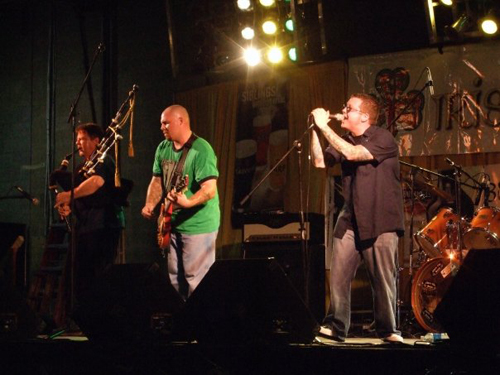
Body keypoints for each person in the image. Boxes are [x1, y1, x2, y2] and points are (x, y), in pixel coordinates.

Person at [310, 93, 405, 343]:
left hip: (380, 220)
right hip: (350, 220)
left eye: (349, 108)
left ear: (364, 116)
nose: (343, 110)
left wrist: (324, 126)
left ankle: (388, 330)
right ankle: (336, 326)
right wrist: (314, 131)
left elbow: (353, 154)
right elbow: (320, 162)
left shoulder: (382, 137)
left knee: (383, 280)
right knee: (339, 276)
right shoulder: (344, 139)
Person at [141, 104, 220, 301]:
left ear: (181, 121)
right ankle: (182, 327)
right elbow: (157, 180)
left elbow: (210, 189)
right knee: (174, 281)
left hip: (198, 225)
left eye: (166, 123)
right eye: (161, 123)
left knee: (197, 280)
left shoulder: (201, 150)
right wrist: (150, 204)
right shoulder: (163, 148)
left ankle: (201, 327)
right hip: (171, 224)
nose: (162, 127)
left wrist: (188, 202)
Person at [55, 123, 124, 306]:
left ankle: (100, 318)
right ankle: (81, 317)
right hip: (85, 226)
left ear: (96, 141)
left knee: (99, 273)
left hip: (104, 225)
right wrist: (68, 206)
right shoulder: (80, 167)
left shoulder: (104, 160)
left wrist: (69, 195)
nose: (78, 143)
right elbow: (80, 194)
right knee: (80, 274)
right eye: (77, 140)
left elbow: (96, 182)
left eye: (83, 139)